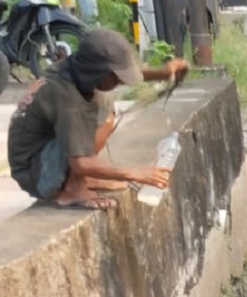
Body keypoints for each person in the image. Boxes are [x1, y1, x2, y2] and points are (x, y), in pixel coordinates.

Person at [6, 28, 189, 210]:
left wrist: (163, 73)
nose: (119, 82)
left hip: (43, 158)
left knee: (104, 113)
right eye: (115, 77)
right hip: (36, 174)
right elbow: (80, 162)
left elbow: (114, 76)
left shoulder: (73, 69)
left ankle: (81, 178)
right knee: (99, 114)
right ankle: (72, 189)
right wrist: (134, 174)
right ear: (97, 73)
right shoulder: (66, 96)